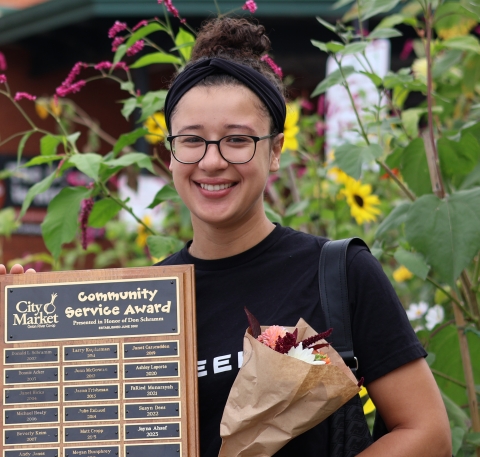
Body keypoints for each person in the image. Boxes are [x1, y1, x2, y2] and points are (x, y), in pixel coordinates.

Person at [2, 17, 451, 457]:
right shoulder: (135, 306)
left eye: (237, 140)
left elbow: (427, 433)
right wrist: (20, 344)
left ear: (274, 150)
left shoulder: (337, 273)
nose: (212, 162)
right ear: (170, 152)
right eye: (192, 140)